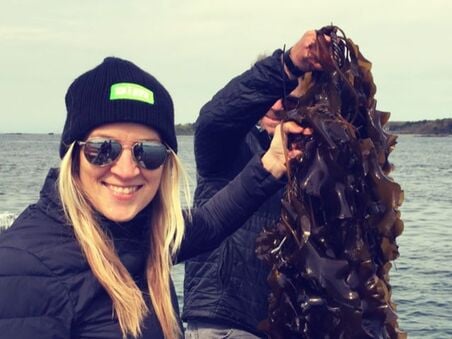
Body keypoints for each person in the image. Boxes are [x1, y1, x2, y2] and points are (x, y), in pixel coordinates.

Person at [0, 57, 308, 339]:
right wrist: (287, 64)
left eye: (147, 152)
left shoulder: (140, 233)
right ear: (73, 154)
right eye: (102, 149)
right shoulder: (24, 265)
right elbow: (217, 119)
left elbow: (212, 222)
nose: (126, 170)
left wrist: (274, 163)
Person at [183, 30, 326, 338]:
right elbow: (215, 118)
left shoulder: (313, 161)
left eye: (290, 100)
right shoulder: (226, 147)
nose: (277, 106)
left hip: (285, 323)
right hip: (226, 320)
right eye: (271, 95)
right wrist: (287, 67)